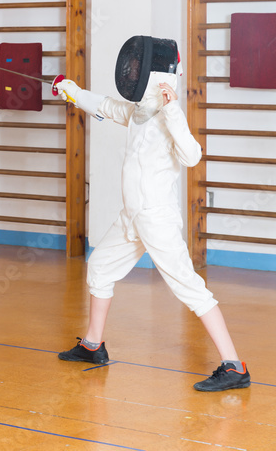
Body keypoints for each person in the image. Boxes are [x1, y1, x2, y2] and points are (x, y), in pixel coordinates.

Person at [55, 35, 249, 392]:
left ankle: (234, 366)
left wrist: (173, 111)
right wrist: (73, 91)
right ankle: (93, 345)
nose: (131, 71)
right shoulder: (139, 113)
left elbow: (192, 155)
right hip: (131, 217)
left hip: (156, 219)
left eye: (136, 67)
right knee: (100, 268)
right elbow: (106, 105)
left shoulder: (169, 116)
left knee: (189, 287)